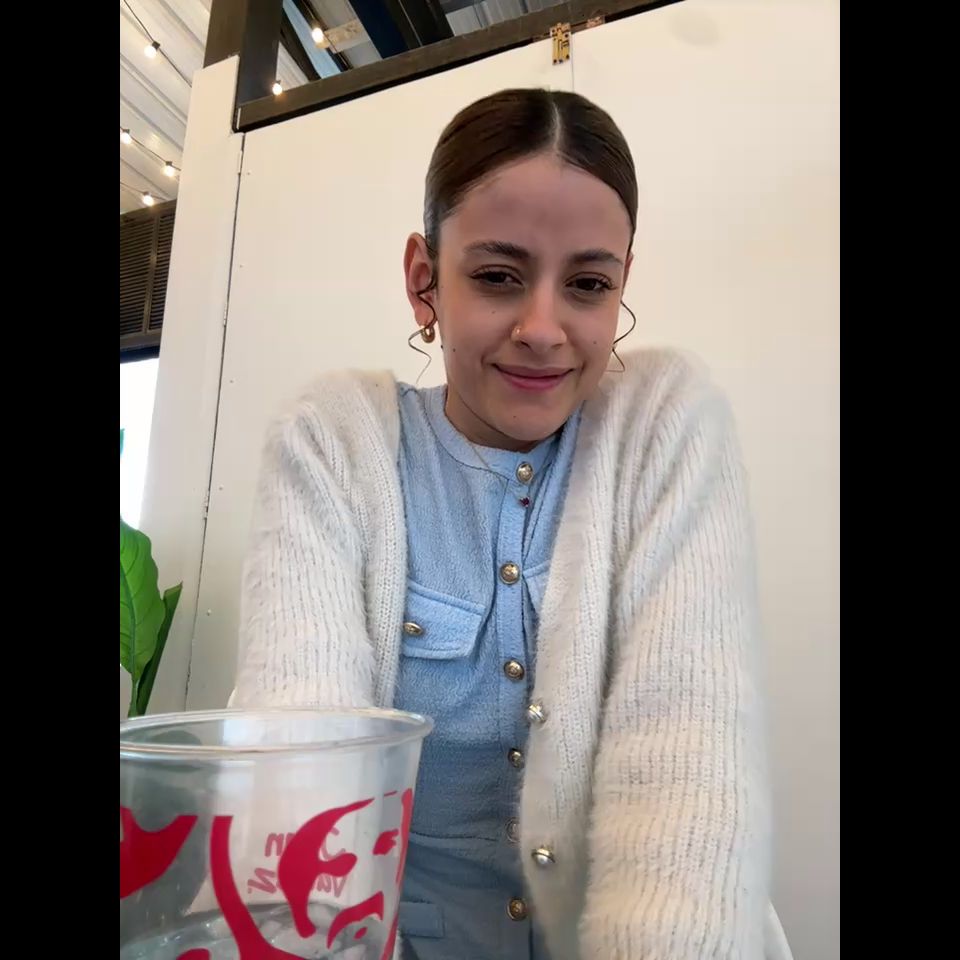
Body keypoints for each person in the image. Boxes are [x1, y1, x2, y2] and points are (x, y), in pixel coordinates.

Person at [232, 88, 771, 960]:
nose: (543, 330)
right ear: (424, 279)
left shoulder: (666, 426)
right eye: (496, 276)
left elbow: (689, 775)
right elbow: (299, 766)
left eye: (588, 285)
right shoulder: (331, 441)